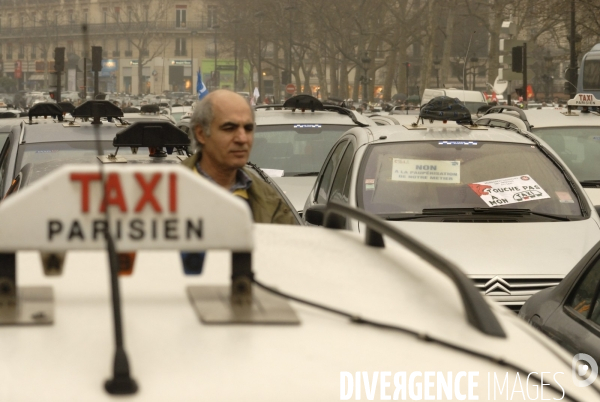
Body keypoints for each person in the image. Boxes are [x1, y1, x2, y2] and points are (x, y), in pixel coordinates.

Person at [183, 89, 297, 225]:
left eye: (248, 129)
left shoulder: (271, 201)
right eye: (229, 128)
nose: (242, 139)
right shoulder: (163, 193)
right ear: (201, 133)